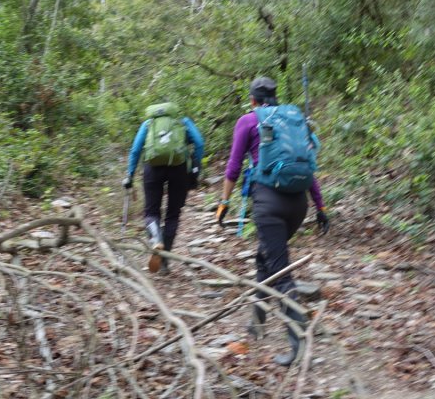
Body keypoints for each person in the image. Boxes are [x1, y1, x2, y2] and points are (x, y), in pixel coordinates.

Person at [217, 77, 329, 366]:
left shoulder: (248, 121)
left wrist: (224, 203)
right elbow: (309, 166)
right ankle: (257, 323)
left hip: (269, 206)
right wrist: (320, 207)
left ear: (252, 99)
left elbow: (233, 166)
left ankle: (298, 346)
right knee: (265, 259)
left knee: (281, 273)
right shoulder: (293, 118)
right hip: (298, 204)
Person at [123, 102, 204, 274]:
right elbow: (199, 142)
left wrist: (129, 175)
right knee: (173, 214)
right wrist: (195, 167)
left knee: (151, 212)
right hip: (179, 169)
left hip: (152, 169)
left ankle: (155, 240)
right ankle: (165, 262)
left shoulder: (148, 124)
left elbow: (135, 150)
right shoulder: (182, 122)